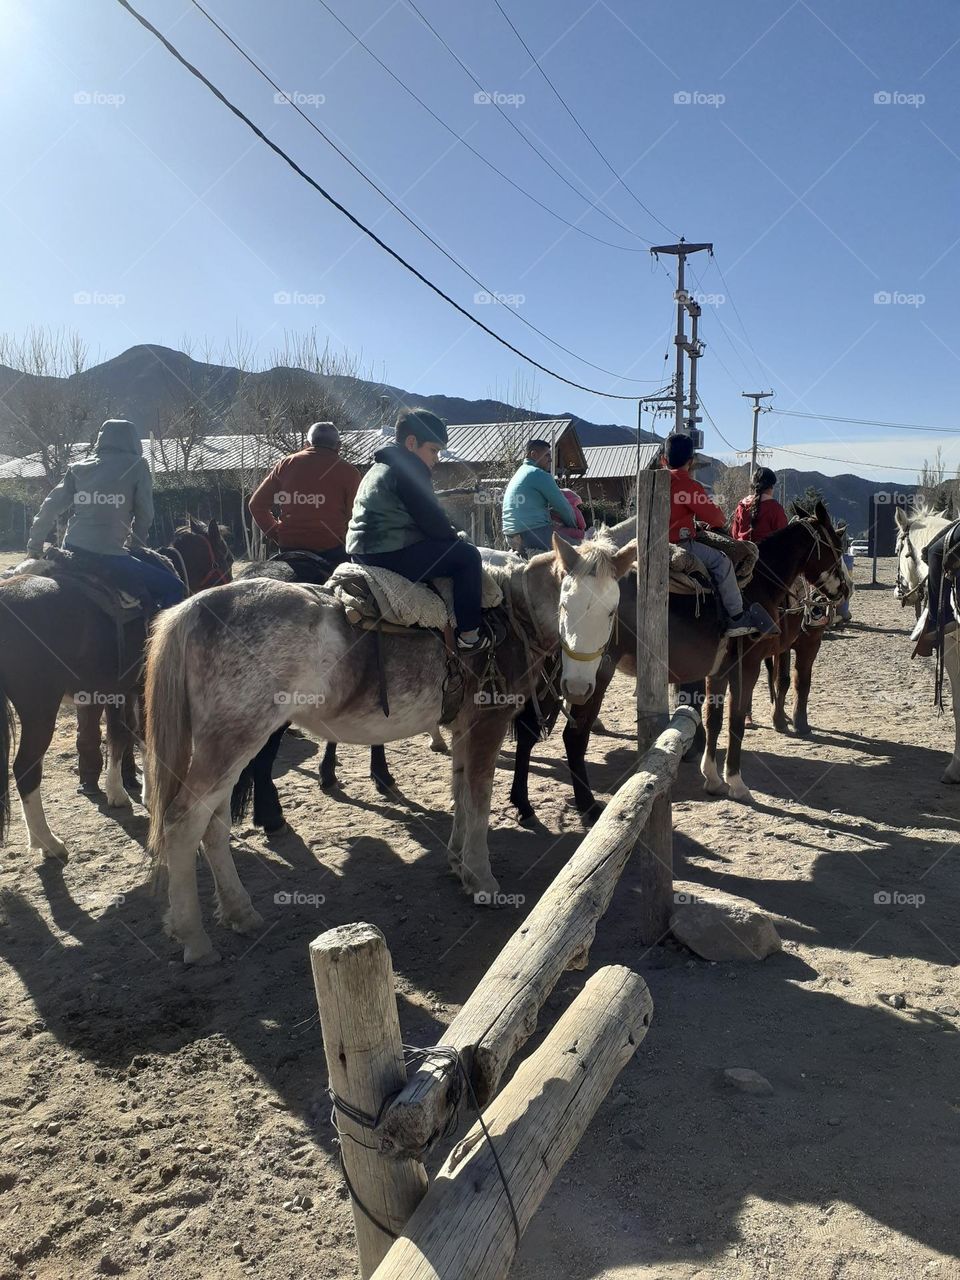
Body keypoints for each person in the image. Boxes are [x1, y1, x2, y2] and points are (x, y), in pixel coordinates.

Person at [346, 407, 489, 654]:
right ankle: (469, 635)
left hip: (362, 551)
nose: (437, 459)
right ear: (412, 443)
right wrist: (455, 538)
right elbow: (433, 522)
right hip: (388, 552)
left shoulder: (380, 467)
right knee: (467, 557)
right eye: (433, 450)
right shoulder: (409, 470)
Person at [26, 418, 185, 610]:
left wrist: (34, 548)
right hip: (111, 556)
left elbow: (49, 507)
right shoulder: (138, 466)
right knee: (174, 587)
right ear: (133, 440)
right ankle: (159, 639)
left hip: (71, 551)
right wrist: (136, 545)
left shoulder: (79, 468)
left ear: (101, 439)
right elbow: (145, 515)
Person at [663, 432, 777, 638]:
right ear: (691, 462)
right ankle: (736, 617)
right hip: (680, 543)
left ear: (663, 460)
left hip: (652, 540)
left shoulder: (657, 481)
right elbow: (717, 519)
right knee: (722, 562)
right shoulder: (688, 485)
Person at [248, 421, 360, 567]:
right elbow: (355, 516)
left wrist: (278, 534)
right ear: (338, 446)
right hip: (332, 551)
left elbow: (256, 505)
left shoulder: (285, 464)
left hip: (289, 547)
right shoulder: (350, 472)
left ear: (307, 444)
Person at [502, 440, 580, 553]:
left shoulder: (520, 473)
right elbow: (562, 506)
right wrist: (575, 527)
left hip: (510, 535)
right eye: (547, 455)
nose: (551, 459)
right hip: (533, 533)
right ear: (534, 454)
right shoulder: (540, 475)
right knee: (580, 551)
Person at [731, 466, 788, 542]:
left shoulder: (741, 506)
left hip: (741, 551)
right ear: (771, 487)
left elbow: (734, 534)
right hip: (766, 552)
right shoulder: (775, 508)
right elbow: (783, 538)